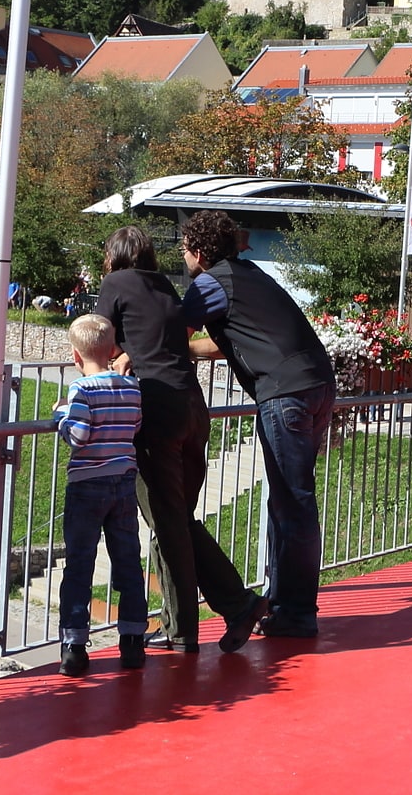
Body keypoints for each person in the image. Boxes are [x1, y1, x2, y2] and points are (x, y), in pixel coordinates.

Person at [95, 224, 263, 654]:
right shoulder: (166, 287)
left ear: (113, 257)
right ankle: (184, 621)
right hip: (193, 408)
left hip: (157, 411)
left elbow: (99, 339)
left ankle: (209, 620)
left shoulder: (115, 283)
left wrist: (113, 362)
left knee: (169, 523)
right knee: (176, 521)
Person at [176, 210, 336, 640]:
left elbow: (172, 331)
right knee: (289, 502)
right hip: (316, 385)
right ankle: (284, 606)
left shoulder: (209, 283)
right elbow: (225, 339)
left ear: (197, 251)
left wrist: (126, 355)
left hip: (284, 393)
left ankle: (298, 613)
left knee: (294, 505)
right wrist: (193, 351)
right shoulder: (248, 276)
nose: (182, 253)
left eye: (184, 245)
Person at [54, 313, 147, 676]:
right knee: (127, 561)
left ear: (76, 356)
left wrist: (61, 416)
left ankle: (75, 646)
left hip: (86, 485)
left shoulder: (82, 390)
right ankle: (133, 642)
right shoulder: (132, 387)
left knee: (79, 564)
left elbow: (77, 436)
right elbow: (134, 426)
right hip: (123, 481)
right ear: (112, 350)